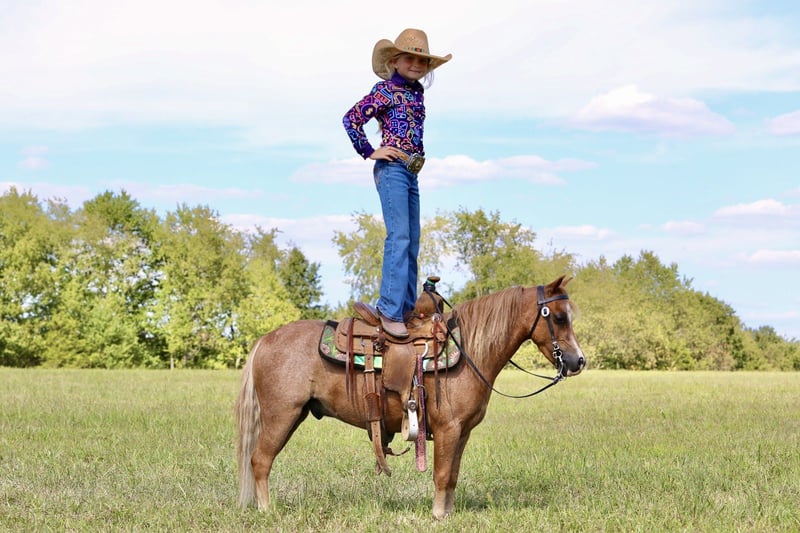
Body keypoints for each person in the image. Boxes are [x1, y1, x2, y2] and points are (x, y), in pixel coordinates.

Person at [342, 28, 451, 338]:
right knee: (399, 237)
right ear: (394, 61)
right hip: (392, 170)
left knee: (412, 240)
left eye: (422, 60)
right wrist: (369, 151)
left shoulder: (417, 92)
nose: (416, 64)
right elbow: (351, 119)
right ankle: (389, 310)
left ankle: (405, 310)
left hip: (411, 172)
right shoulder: (385, 90)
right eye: (409, 58)